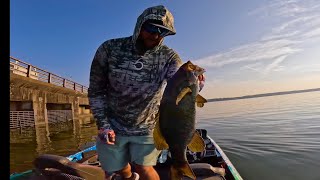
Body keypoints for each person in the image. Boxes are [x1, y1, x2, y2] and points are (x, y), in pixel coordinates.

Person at [88, 5, 182, 180]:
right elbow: (96, 90)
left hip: (147, 126)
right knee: (118, 168)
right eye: (151, 28)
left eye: (162, 32)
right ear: (139, 25)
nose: (155, 35)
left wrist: (193, 83)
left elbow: (178, 83)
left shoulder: (169, 57)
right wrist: (103, 124)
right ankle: (130, 177)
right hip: (112, 124)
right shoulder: (109, 49)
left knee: (144, 167)